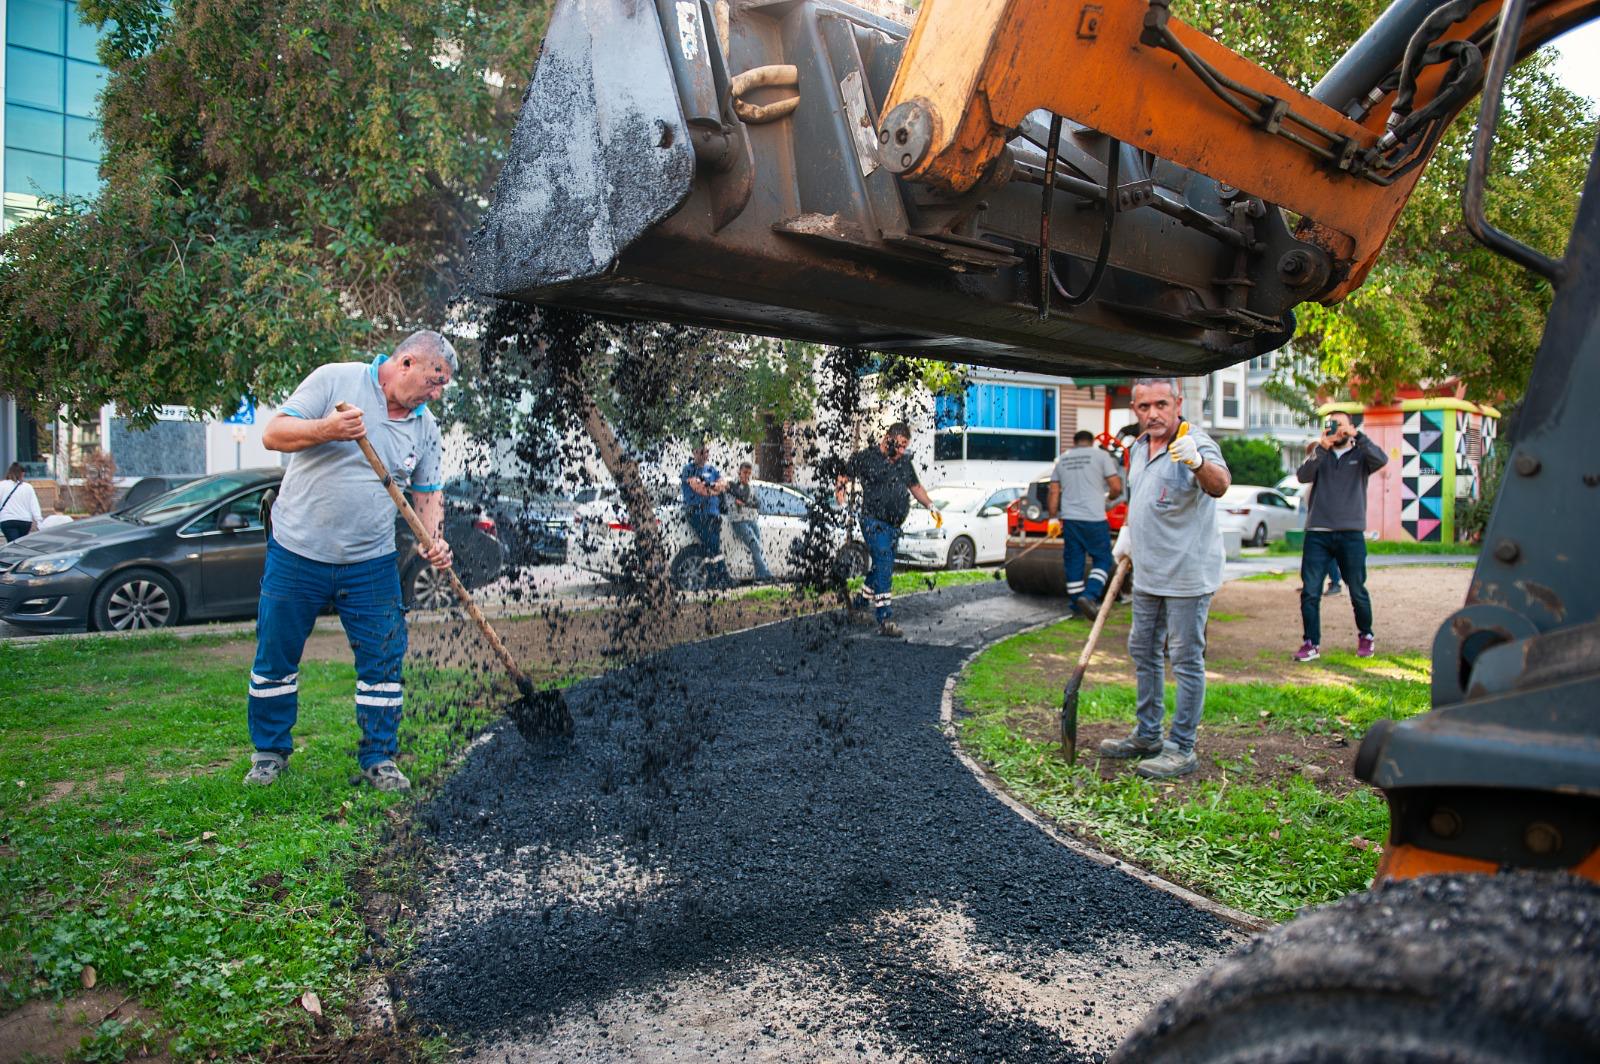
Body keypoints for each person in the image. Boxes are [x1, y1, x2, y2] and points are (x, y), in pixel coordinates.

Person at [243, 331, 456, 791]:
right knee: (276, 654)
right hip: (298, 551)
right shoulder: (335, 380)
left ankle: (379, 756)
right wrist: (328, 429)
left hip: (370, 562)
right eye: (434, 381)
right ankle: (269, 753)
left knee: (384, 659)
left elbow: (428, 492)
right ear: (406, 363)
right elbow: (273, 434)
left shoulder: (426, 428)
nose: (436, 393)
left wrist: (433, 539)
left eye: (442, 387)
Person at [1099, 378, 1230, 779]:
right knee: (1143, 651)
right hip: (1149, 574)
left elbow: (1220, 485)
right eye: (1143, 407)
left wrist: (1195, 462)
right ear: (1134, 409)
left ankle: (1182, 747)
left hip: (1188, 575)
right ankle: (1148, 734)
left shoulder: (1196, 442)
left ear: (1178, 403)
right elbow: (1142, 498)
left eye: (1161, 404)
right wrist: (1129, 535)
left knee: (1186, 660)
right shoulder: (1139, 447)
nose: (1152, 413)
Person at [1294, 411, 1388, 661]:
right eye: (1332, 424)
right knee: (1310, 591)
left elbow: (1381, 459)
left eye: (1341, 424)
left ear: (1350, 427)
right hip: (1318, 532)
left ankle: (1366, 635)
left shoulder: (1361, 454)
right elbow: (1302, 476)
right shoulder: (1320, 453)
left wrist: (1358, 436)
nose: (1336, 428)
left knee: (1357, 588)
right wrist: (1321, 448)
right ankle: (1310, 643)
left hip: (1351, 533)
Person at [834, 422, 940, 638]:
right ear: (887, 438)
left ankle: (860, 603)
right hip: (873, 521)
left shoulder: (903, 463)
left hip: (893, 526)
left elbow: (915, 487)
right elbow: (844, 474)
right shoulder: (866, 457)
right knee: (883, 561)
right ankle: (884, 618)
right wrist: (840, 491)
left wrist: (931, 505)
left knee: (883, 565)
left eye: (904, 447)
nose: (901, 451)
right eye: (899, 445)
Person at [1046, 430, 1125, 621]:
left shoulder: (1062, 459)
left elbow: (1054, 492)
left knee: (1074, 561)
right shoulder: (1101, 456)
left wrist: (1053, 519)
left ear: (1074, 442)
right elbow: (1116, 487)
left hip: (1071, 520)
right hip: (1095, 519)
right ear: (1091, 442)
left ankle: (1076, 606)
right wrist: (1109, 498)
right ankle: (1089, 596)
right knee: (1103, 559)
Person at [681, 442, 731, 587]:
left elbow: (723, 485)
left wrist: (712, 488)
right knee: (712, 545)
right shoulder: (688, 469)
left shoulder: (712, 469)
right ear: (694, 452)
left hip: (713, 514)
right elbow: (699, 489)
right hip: (697, 513)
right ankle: (721, 577)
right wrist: (713, 489)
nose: (704, 455)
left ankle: (716, 578)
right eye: (701, 452)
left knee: (712, 546)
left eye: (706, 452)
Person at [724, 461, 773, 582]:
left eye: (749, 473)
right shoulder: (731, 485)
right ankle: (766, 575)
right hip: (739, 521)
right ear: (739, 472)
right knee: (754, 545)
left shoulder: (750, 487)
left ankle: (760, 577)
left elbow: (757, 503)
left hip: (751, 520)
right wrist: (746, 502)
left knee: (757, 548)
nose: (747, 476)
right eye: (745, 473)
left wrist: (746, 503)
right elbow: (739, 498)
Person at [0, 463, 43, 542]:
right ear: (22, 474)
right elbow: (34, 505)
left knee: (13, 544)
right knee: (20, 543)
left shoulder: (2, 485)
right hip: (25, 521)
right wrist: (39, 521)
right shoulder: (28, 487)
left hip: (7, 519)